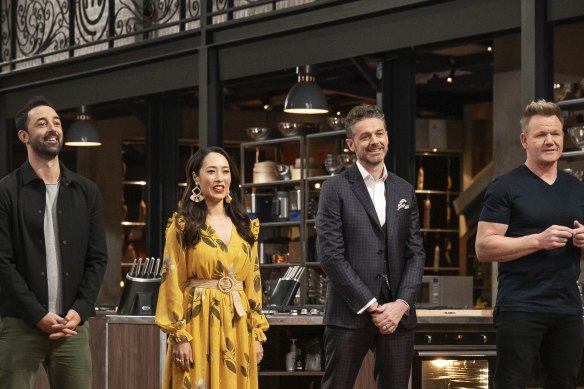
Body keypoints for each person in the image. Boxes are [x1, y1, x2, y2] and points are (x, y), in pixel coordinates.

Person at [0, 96, 108, 388]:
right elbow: (3, 263)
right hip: (20, 324)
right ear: (24, 136)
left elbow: (97, 257)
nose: (53, 128)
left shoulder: (87, 191)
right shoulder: (7, 191)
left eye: (57, 122)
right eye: (42, 123)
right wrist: (37, 315)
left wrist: (81, 309)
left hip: (72, 327)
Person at [476, 99, 584, 389]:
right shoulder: (505, 187)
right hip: (520, 306)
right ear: (525, 140)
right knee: (511, 383)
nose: (550, 141)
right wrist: (538, 240)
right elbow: (484, 248)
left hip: (567, 307)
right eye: (540, 135)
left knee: (565, 383)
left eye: (556, 134)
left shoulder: (577, 188)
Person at [316, 104, 426, 389]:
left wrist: (401, 304)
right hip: (349, 311)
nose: (374, 141)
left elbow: (416, 253)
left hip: (398, 315)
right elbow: (330, 255)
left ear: (387, 136)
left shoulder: (405, 190)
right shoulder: (335, 188)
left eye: (379, 133)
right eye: (365, 136)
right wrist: (372, 306)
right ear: (351, 144)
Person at [155, 146, 269, 389]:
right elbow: (171, 282)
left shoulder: (246, 227)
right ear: (196, 178)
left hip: (238, 327)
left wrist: (256, 334)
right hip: (197, 324)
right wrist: (179, 337)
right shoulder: (182, 225)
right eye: (212, 171)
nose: (220, 178)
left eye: (225, 171)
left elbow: (254, 284)